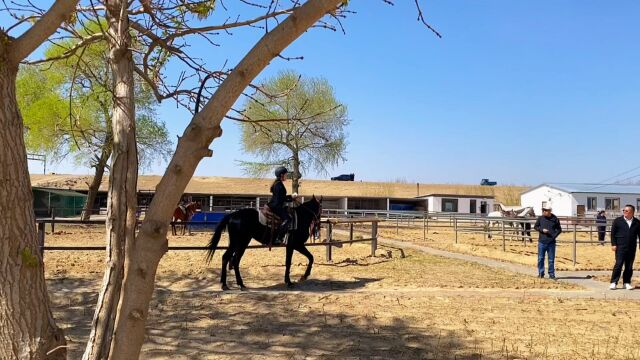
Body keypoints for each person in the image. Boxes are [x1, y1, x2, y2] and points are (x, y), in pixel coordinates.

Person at [609, 205, 640, 290]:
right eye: (624, 210)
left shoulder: (637, 222)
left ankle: (626, 283)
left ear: (632, 212)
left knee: (629, 266)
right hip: (620, 246)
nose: (624, 212)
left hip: (632, 247)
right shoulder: (618, 221)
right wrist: (613, 244)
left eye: (626, 211)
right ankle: (613, 282)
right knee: (618, 264)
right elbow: (612, 234)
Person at [534, 204, 562, 279]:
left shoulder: (555, 219)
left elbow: (559, 230)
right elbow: (535, 227)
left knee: (551, 259)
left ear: (550, 211)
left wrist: (554, 236)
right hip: (542, 242)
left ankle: (551, 274)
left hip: (551, 243)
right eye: (543, 210)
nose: (544, 211)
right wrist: (542, 230)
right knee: (540, 258)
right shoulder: (540, 218)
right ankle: (541, 273)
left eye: (545, 210)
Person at [267, 166, 292, 244]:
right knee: (288, 219)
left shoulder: (277, 183)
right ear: (282, 175)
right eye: (286, 174)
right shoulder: (279, 185)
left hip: (275, 205)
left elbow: (281, 197)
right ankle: (279, 238)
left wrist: (290, 197)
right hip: (276, 206)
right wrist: (291, 198)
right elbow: (281, 199)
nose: (286, 176)